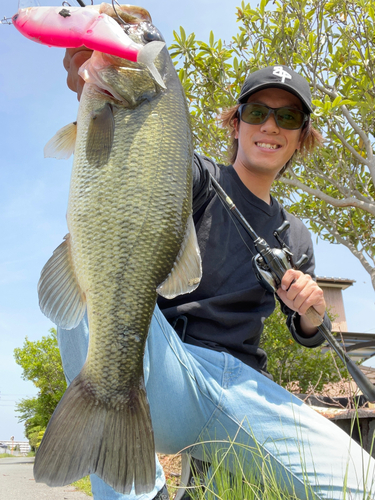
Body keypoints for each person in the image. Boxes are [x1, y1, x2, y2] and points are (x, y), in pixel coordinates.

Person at [59, 49, 375, 500]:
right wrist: (104, 102)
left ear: (301, 136)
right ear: (236, 122)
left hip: (243, 391)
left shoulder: (298, 236)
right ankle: (140, 487)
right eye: (257, 111)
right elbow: (139, 170)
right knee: (96, 280)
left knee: (363, 484)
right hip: (164, 370)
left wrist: (312, 311)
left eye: (287, 117)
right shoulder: (198, 176)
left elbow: (307, 332)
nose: (270, 126)